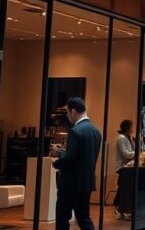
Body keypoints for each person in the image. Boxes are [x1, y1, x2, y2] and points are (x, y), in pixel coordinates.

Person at [52, 97, 101, 230]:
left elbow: (70, 159)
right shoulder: (96, 131)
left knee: (62, 217)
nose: (68, 116)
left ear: (73, 111)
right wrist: (62, 153)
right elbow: (83, 156)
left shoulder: (75, 131)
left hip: (70, 183)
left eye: (68, 113)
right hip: (86, 182)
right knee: (84, 218)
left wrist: (56, 163)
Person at [114, 119, 136, 220]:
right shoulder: (121, 138)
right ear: (127, 128)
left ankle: (120, 209)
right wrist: (137, 153)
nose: (133, 129)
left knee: (123, 188)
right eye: (131, 127)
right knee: (124, 189)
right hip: (123, 167)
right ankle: (120, 209)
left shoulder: (129, 137)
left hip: (128, 167)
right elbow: (126, 154)